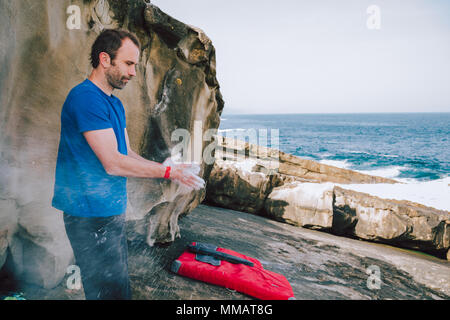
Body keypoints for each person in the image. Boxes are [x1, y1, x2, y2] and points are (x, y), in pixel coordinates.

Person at [51, 29, 202, 300]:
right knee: (108, 293)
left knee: (117, 290)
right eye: (129, 64)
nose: (133, 72)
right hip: (88, 215)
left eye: (135, 65)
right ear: (105, 59)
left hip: (110, 211)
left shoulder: (115, 104)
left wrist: (163, 167)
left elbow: (126, 152)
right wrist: (167, 171)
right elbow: (112, 163)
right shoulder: (85, 98)